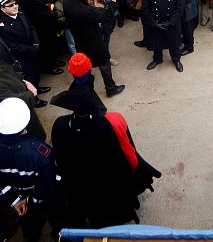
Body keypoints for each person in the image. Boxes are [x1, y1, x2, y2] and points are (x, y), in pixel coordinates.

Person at [50, 88, 159, 228]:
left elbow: (59, 155)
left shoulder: (60, 124)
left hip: (79, 183)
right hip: (104, 181)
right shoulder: (102, 126)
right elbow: (115, 155)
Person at [0, 97, 64, 242]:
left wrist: (15, 200)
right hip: (42, 198)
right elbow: (49, 183)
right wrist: (31, 201)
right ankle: (59, 234)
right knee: (57, 218)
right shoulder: (40, 152)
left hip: (18, 200)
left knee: (30, 227)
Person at [63, 0, 126, 96]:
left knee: (86, 66)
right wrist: (113, 2)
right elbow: (105, 16)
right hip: (93, 41)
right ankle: (111, 88)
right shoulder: (85, 11)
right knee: (104, 63)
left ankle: (86, 90)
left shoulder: (67, 3)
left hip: (80, 40)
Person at [141, 0, 185, 72]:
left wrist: (171, 22)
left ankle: (176, 60)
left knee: (174, 43)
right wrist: (152, 23)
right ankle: (157, 59)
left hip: (171, 22)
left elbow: (179, 7)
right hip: (156, 22)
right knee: (157, 43)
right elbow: (145, 8)